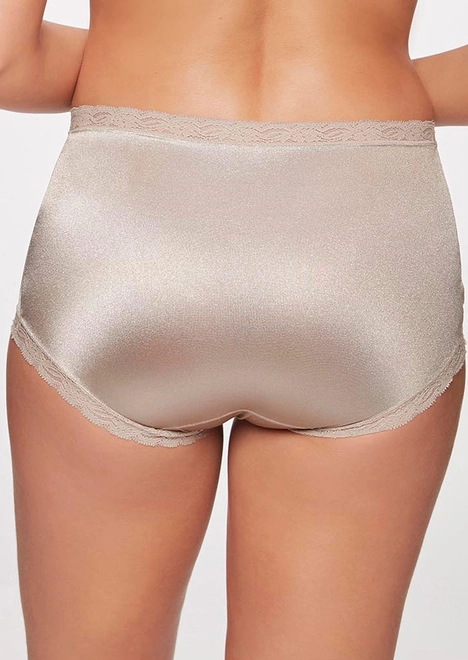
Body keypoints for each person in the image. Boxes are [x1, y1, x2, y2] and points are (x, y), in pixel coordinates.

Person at [1, 1, 467, 658]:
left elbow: (7, 60)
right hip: (365, 234)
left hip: (130, 230)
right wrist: (377, 73)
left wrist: (138, 54)